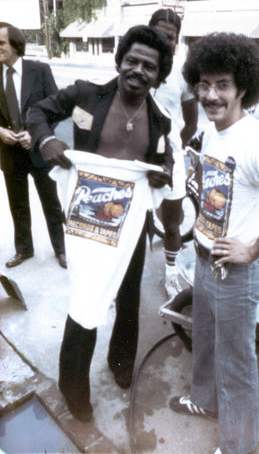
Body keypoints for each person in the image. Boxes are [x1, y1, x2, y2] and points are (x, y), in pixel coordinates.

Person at [169, 33, 259, 454]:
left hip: (236, 272)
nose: (211, 95)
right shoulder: (214, 132)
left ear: (243, 87)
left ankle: (237, 445)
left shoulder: (257, 138)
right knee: (206, 344)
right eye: (204, 84)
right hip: (204, 259)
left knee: (236, 365)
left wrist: (253, 249)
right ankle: (205, 401)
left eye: (223, 85)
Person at [27, 25, 174, 422]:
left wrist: (164, 172)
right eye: (133, 60)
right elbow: (38, 111)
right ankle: (73, 388)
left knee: (128, 297)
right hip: (88, 219)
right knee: (87, 299)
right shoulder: (86, 95)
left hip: (131, 226)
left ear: (159, 75)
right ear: (120, 61)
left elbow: (167, 159)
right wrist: (46, 141)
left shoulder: (160, 120)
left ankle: (121, 364)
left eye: (149, 66)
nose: (139, 70)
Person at [0, 22, 66, 268]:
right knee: (17, 205)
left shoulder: (40, 70)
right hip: (9, 153)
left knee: (51, 202)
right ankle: (24, 250)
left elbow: (57, 109)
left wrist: (35, 134)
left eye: (1, 43)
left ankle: (61, 250)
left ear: (15, 45)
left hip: (38, 151)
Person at [149, 8, 198, 298]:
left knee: (171, 222)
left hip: (171, 161)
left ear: (177, 41)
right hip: (134, 159)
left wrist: (170, 150)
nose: (165, 41)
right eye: (159, 34)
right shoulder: (136, 62)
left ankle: (170, 272)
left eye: (171, 37)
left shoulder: (183, 75)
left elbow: (191, 123)